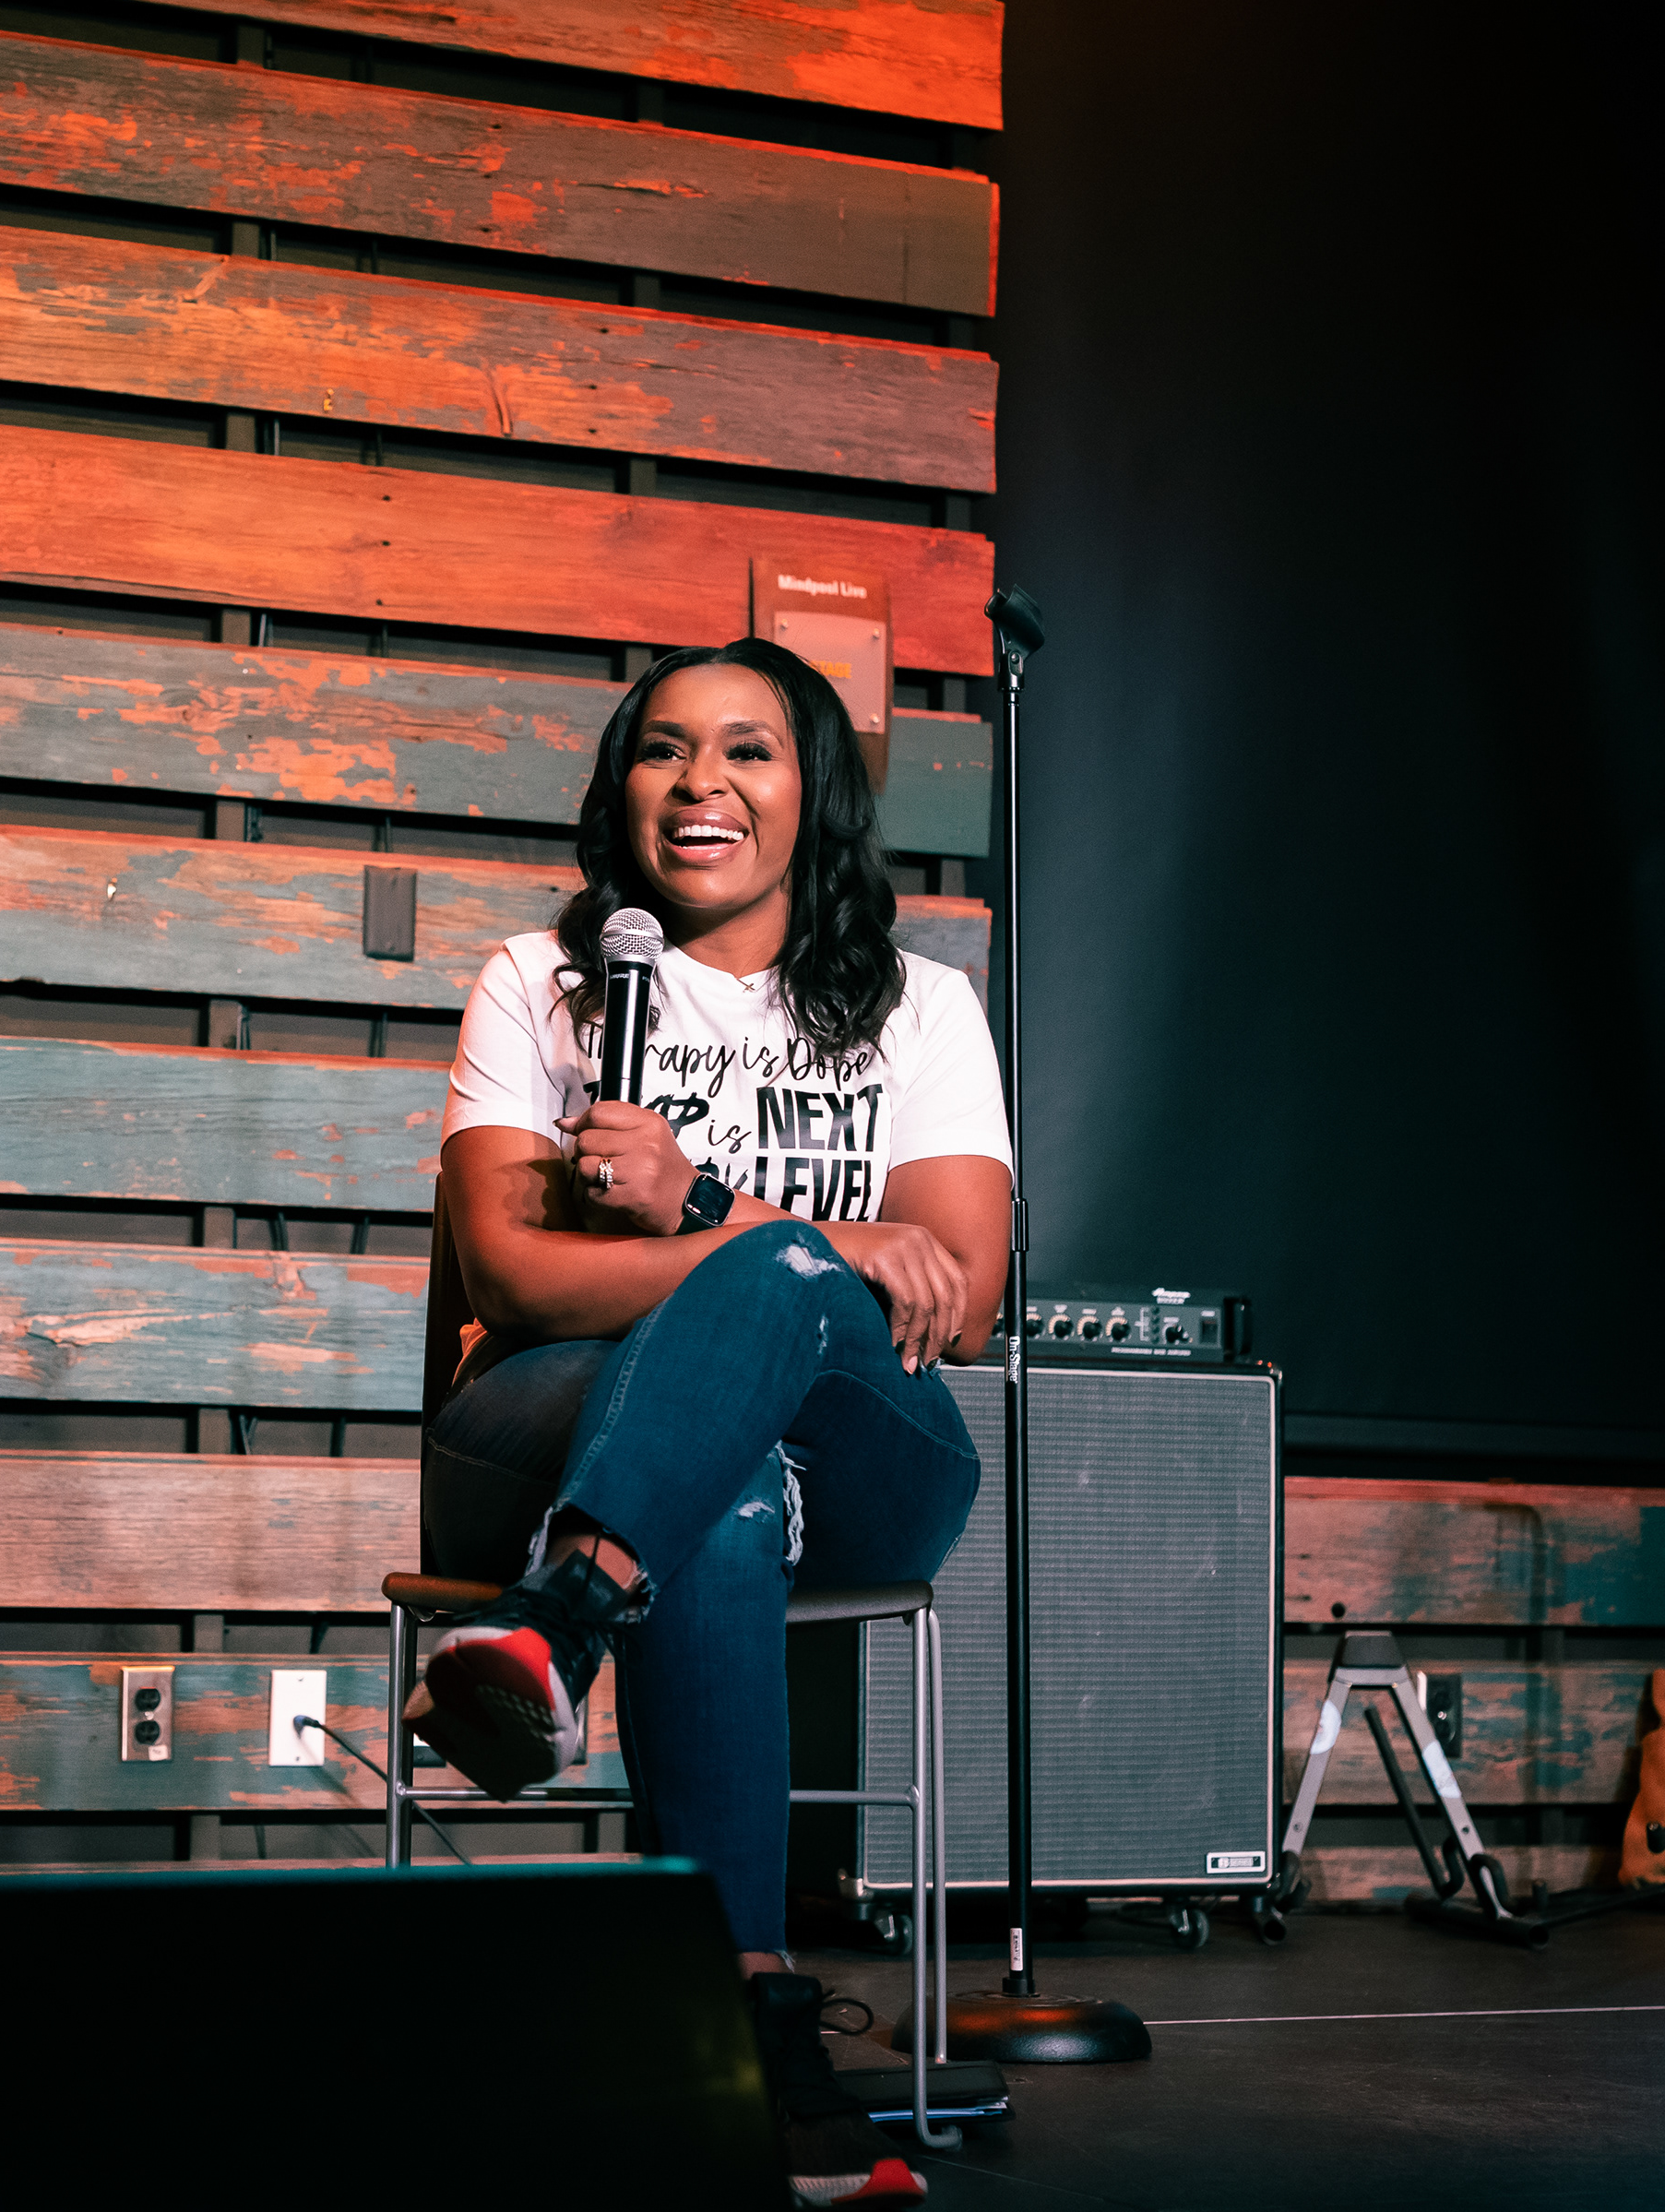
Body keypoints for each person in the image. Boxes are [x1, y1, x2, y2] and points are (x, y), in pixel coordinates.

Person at [414, 636, 1011, 2208]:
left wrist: (706, 1209)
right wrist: (815, 1253)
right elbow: (514, 1277)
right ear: (623, 788)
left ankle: (562, 1622)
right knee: (727, 1493)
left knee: (784, 1281)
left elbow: (959, 1300)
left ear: (814, 793)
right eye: (664, 748)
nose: (702, 783)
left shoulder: (922, 1009)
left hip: (872, 1451)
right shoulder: (541, 986)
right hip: (550, 1421)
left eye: (749, 749)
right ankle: (761, 2039)